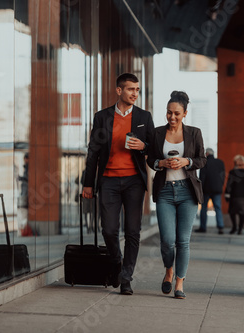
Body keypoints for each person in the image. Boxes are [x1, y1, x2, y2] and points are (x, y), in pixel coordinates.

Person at [82, 73, 155, 295]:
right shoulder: (102, 117)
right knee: (109, 230)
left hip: (134, 181)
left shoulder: (144, 116)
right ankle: (118, 262)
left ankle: (126, 277)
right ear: (119, 91)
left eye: (137, 89)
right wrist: (88, 183)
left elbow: (154, 149)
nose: (135, 93)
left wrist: (143, 146)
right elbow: (93, 151)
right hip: (109, 181)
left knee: (133, 231)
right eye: (131, 89)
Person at [147, 91, 206, 299]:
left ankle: (180, 281)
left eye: (177, 114)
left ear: (185, 113)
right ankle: (168, 270)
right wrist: (160, 163)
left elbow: (202, 160)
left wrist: (186, 162)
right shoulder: (156, 133)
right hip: (164, 191)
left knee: (183, 240)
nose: (172, 117)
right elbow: (150, 159)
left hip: (187, 191)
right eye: (169, 113)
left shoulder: (194, 133)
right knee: (167, 240)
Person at [195, 148, 226, 234]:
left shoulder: (204, 163)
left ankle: (203, 227)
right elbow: (223, 176)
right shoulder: (220, 162)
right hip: (217, 189)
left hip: (206, 190)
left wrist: (200, 189)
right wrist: (220, 185)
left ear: (207, 154)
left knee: (204, 208)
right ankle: (220, 227)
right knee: (218, 208)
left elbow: (202, 177)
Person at [224, 155, 244, 235]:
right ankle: (240, 229)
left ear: (235, 163)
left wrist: (226, 194)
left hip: (234, 195)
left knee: (232, 212)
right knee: (242, 213)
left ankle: (234, 227)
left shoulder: (232, 172)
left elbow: (229, 185)